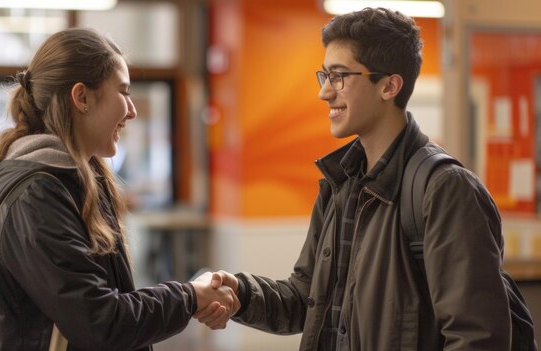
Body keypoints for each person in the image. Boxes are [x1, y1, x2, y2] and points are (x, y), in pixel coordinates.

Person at [196, 7, 514, 351]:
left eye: (340, 76)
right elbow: (307, 300)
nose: (325, 92)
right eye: (326, 76)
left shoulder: (445, 189)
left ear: (389, 86)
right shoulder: (340, 184)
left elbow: (478, 338)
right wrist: (240, 293)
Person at [0, 27, 238, 351]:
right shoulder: (36, 196)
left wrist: (190, 297)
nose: (132, 110)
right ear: (82, 97)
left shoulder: (74, 180)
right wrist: (190, 297)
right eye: (123, 92)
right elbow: (101, 322)